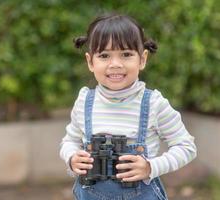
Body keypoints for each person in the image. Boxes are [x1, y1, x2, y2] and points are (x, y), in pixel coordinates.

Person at [59, 13, 197, 200]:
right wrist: (71, 158)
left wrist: (151, 167)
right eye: (104, 55)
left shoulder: (153, 104)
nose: (115, 64)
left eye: (126, 54)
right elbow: (69, 141)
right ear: (90, 61)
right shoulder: (84, 101)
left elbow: (186, 146)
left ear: (142, 59)